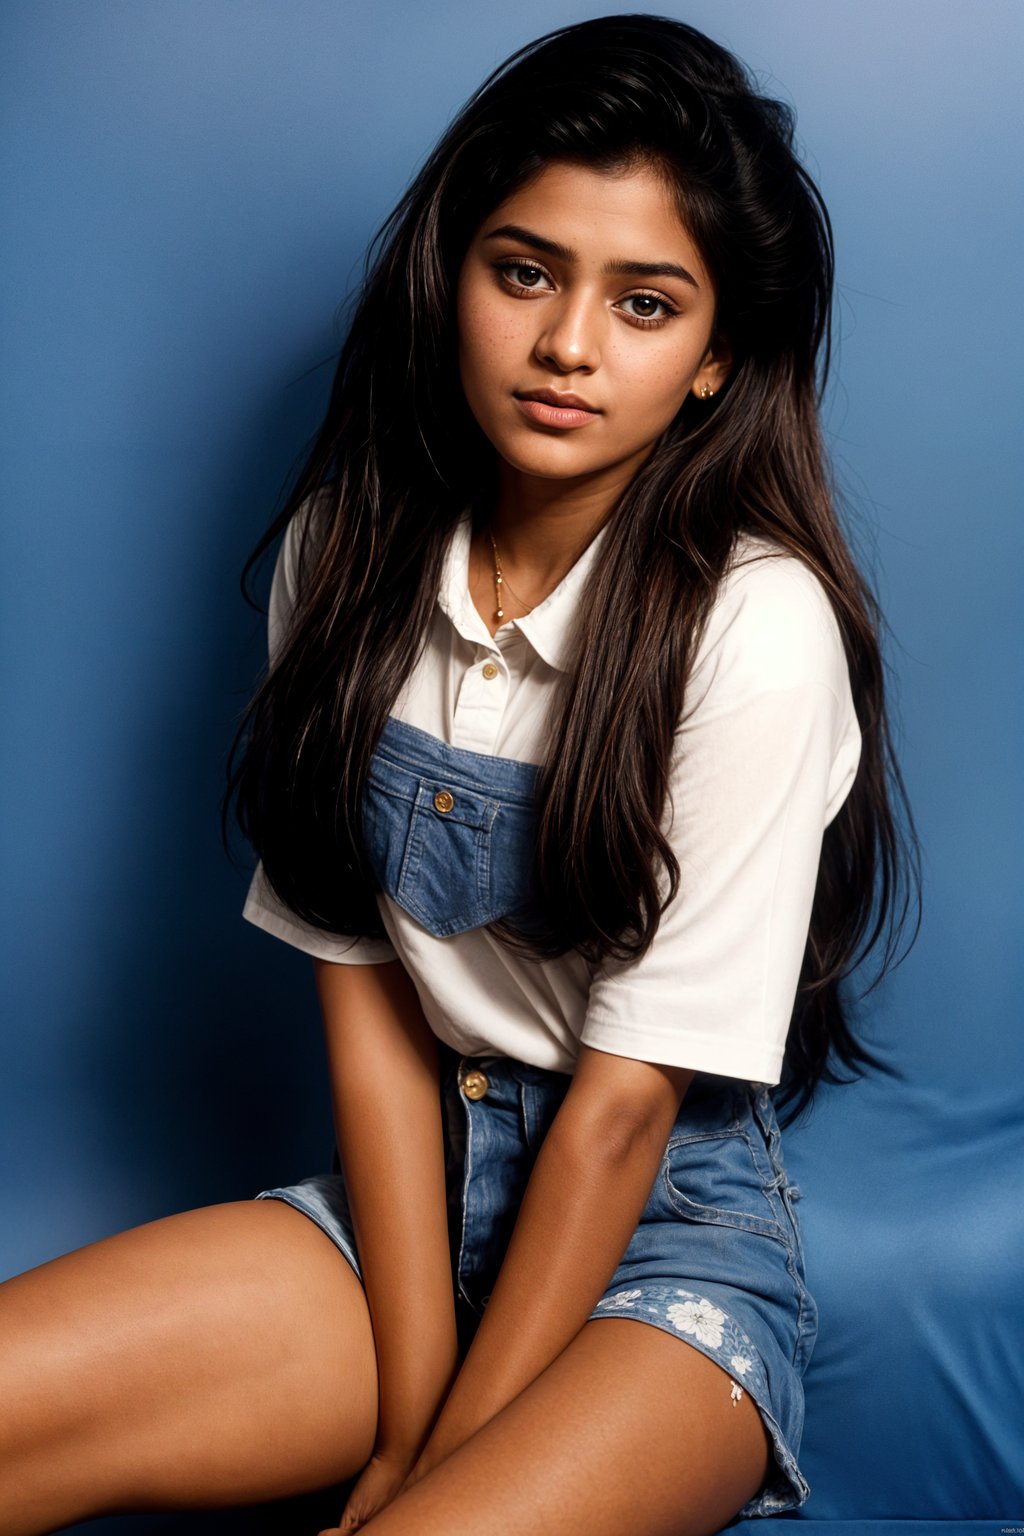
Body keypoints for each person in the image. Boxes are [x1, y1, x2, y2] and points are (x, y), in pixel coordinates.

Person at [0, 14, 918, 1535]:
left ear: (713, 360)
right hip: (413, 1207)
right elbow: (365, 1009)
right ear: (451, 280)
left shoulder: (756, 625)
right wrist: (407, 1417)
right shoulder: (347, 556)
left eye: (645, 303)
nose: (570, 345)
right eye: (525, 271)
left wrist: (434, 1475)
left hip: (667, 1242)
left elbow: (625, 1113)